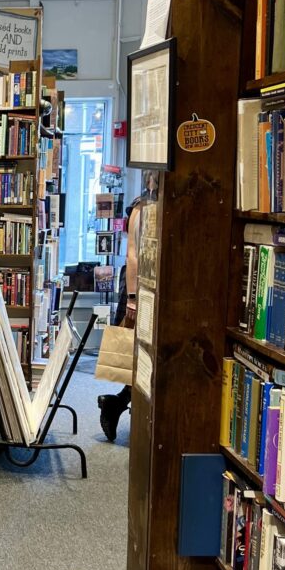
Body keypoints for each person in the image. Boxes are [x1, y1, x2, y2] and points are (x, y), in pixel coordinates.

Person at [97, 171, 159, 442]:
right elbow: (132, 255)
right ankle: (118, 405)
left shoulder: (158, 206)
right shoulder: (141, 208)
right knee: (137, 355)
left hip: (151, 287)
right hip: (137, 288)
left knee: (146, 358)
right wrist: (132, 298)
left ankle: (116, 405)